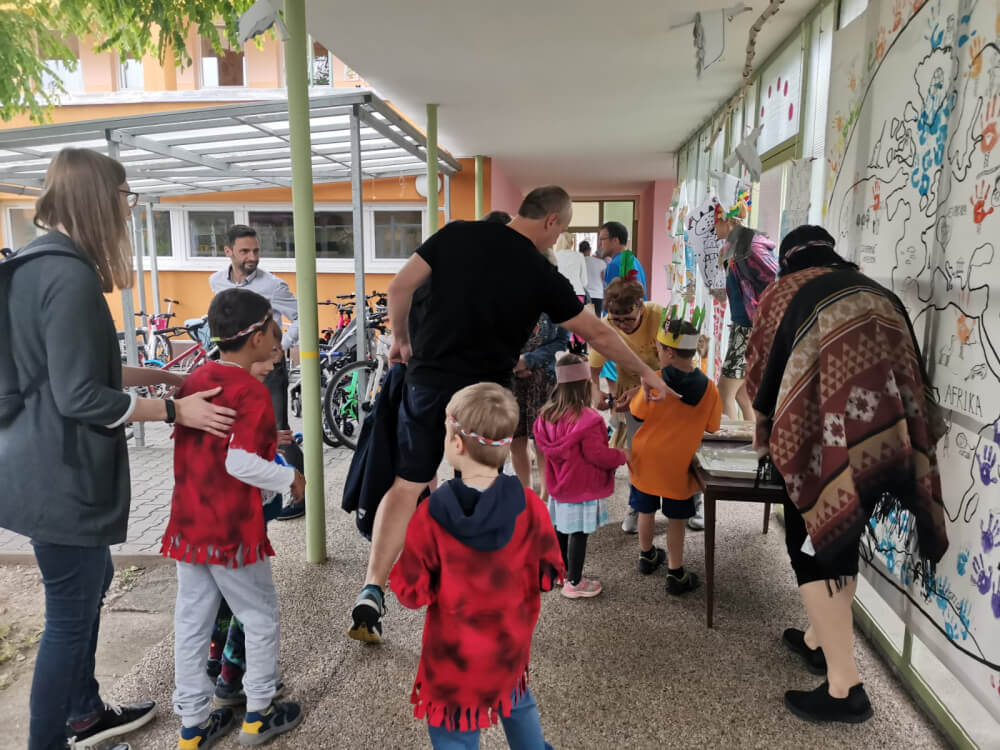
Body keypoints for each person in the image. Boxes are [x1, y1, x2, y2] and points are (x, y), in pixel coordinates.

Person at [349, 185, 671, 644]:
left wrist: (401, 340)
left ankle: (372, 588)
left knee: (408, 483)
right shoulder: (539, 272)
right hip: (485, 394)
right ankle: (472, 592)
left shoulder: (456, 233)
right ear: (552, 221)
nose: (556, 240)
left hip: (427, 381)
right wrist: (648, 372)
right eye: (559, 231)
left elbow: (399, 286)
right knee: (481, 486)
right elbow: (597, 334)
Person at [0, 148, 236, 750]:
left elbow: (82, 369)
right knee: (68, 618)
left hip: (33, 465)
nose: (128, 210)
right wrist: (176, 410)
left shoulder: (35, 264)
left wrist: (167, 377)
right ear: (99, 199)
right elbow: (80, 395)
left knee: (93, 578)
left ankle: (84, 714)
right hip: (61, 476)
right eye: (125, 196)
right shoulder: (71, 276)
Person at [745, 225, 949, 724]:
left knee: (810, 545)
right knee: (843, 534)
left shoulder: (782, 292)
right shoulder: (876, 292)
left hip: (817, 435)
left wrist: (764, 430)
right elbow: (912, 373)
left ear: (787, 259)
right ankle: (819, 639)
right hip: (884, 437)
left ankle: (845, 688)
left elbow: (760, 370)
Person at [163, 288, 305, 748]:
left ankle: (192, 727)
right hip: (231, 531)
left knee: (191, 622)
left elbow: (215, 447)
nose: (277, 342)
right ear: (258, 336)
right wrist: (289, 477)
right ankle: (259, 714)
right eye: (274, 331)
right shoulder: (252, 392)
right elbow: (238, 462)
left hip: (190, 525)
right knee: (259, 616)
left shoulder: (195, 379)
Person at [389, 383, 563, 749]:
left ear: (456, 444)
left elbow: (412, 591)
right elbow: (547, 571)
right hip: (509, 643)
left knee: (453, 728)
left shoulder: (431, 515)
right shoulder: (530, 505)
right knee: (517, 701)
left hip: (455, 658)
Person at [209, 225, 303, 521]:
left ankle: (299, 495)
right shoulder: (215, 281)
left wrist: (278, 347)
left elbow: (302, 316)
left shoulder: (273, 286)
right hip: (235, 370)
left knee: (278, 430)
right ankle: (253, 490)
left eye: (256, 250)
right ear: (228, 252)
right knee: (241, 428)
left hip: (268, 369)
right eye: (245, 251)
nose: (252, 257)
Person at [628, 317, 721, 594]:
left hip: (646, 457)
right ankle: (675, 572)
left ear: (669, 352)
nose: (656, 351)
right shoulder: (710, 388)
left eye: (658, 347)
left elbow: (637, 413)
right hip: (678, 464)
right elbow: (713, 426)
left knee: (645, 509)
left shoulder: (654, 379)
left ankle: (647, 556)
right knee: (676, 519)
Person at [533, 354, 627, 598]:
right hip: (582, 486)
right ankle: (574, 583)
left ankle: (558, 572)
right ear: (586, 385)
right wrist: (621, 455)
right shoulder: (589, 420)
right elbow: (598, 455)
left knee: (561, 528)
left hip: (559, 485)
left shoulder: (545, 416)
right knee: (578, 533)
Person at [587, 278, 664, 534]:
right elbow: (593, 370)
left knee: (671, 447)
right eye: (616, 320)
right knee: (636, 450)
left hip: (666, 386)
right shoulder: (607, 324)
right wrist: (595, 391)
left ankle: (690, 501)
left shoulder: (659, 316)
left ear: (640, 306)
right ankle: (637, 504)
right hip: (630, 388)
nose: (621, 326)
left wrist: (642, 390)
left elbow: (674, 367)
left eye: (628, 320)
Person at [713, 203, 777, 419]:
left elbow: (777, 279)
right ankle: (753, 436)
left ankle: (731, 438)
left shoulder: (750, 247)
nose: (714, 228)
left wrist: (758, 315)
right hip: (745, 326)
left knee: (725, 393)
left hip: (749, 329)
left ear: (728, 221)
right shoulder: (738, 246)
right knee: (742, 395)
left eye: (716, 222)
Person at [598, 221, 647, 296]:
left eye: (602, 239)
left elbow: (613, 300)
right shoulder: (634, 261)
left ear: (615, 240)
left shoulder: (615, 265)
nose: (599, 244)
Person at [581, 240, 606, 317]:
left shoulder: (579, 262)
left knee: (584, 319)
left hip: (584, 295)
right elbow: (604, 278)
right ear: (590, 250)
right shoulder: (600, 262)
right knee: (596, 319)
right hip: (598, 295)